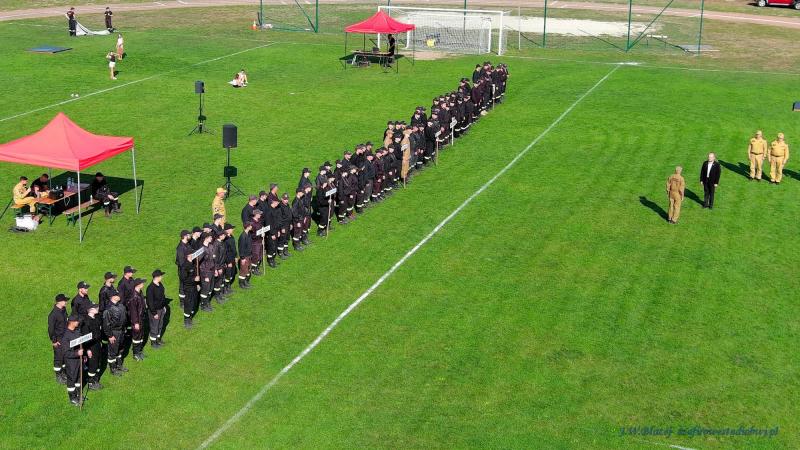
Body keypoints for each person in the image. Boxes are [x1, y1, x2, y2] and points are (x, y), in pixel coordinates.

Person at [60, 315, 83, 406]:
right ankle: (72, 398)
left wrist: (83, 355)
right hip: (71, 362)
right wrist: (77, 353)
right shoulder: (65, 336)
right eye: (77, 321)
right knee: (72, 379)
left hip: (78, 360)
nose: (78, 322)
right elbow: (65, 353)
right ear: (72, 322)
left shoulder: (76, 332)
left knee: (78, 378)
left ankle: (78, 395)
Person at [102, 295, 127, 376]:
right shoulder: (108, 309)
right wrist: (110, 336)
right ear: (112, 297)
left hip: (121, 331)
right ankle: (113, 369)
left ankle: (119, 365)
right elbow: (106, 325)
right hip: (114, 332)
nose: (119, 296)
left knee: (120, 349)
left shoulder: (121, 305)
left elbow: (124, 318)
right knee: (113, 351)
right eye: (117, 295)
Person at [80, 304, 103, 390]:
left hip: (97, 344)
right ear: (91, 310)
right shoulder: (86, 322)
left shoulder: (95, 318)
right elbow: (85, 338)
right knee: (93, 364)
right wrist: (88, 350)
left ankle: (95, 379)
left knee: (98, 362)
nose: (98, 309)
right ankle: (91, 383)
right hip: (91, 346)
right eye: (96, 308)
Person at [48, 294, 69, 385]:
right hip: (58, 339)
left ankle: (63, 373)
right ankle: (58, 375)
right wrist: (54, 341)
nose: (66, 302)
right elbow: (51, 329)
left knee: (64, 356)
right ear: (59, 302)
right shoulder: (53, 315)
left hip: (65, 338)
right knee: (58, 358)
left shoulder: (63, 310)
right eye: (65, 300)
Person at [146, 269, 167, 349]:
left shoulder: (160, 284)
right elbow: (150, 302)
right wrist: (154, 313)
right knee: (154, 326)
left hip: (161, 309)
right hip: (155, 311)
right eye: (161, 276)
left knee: (160, 324)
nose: (162, 277)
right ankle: (153, 342)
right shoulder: (150, 288)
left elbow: (162, 296)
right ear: (156, 277)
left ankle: (158, 339)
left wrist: (163, 307)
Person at [129, 278, 147, 360]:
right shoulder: (134, 297)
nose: (143, 284)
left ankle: (139, 351)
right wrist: (136, 322)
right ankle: (135, 354)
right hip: (137, 320)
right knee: (136, 337)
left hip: (141, 318)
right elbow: (133, 311)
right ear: (138, 285)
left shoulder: (140, 292)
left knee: (141, 336)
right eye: (142, 283)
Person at [179, 254, 199, 328]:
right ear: (187, 256)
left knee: (194, 301)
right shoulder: (184, 267)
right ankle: (186, 320)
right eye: (191, 255)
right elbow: (184, 279)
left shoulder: (192, 264)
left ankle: (190, 316)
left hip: (194, 287)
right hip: (188, 288)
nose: (193, 255)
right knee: (188, 303)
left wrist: (197, 283)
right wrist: (194, 279)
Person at [238, 222, 253, 289]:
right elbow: (241, 248)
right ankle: (241, 284)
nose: (251, 226)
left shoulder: (248, 234)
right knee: (243, 271)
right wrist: (242, 258)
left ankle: (245, 282)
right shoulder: (243, 236)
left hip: (249, 255)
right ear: (247, 227)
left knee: (247, 270)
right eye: (250, 225)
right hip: (245, 257)